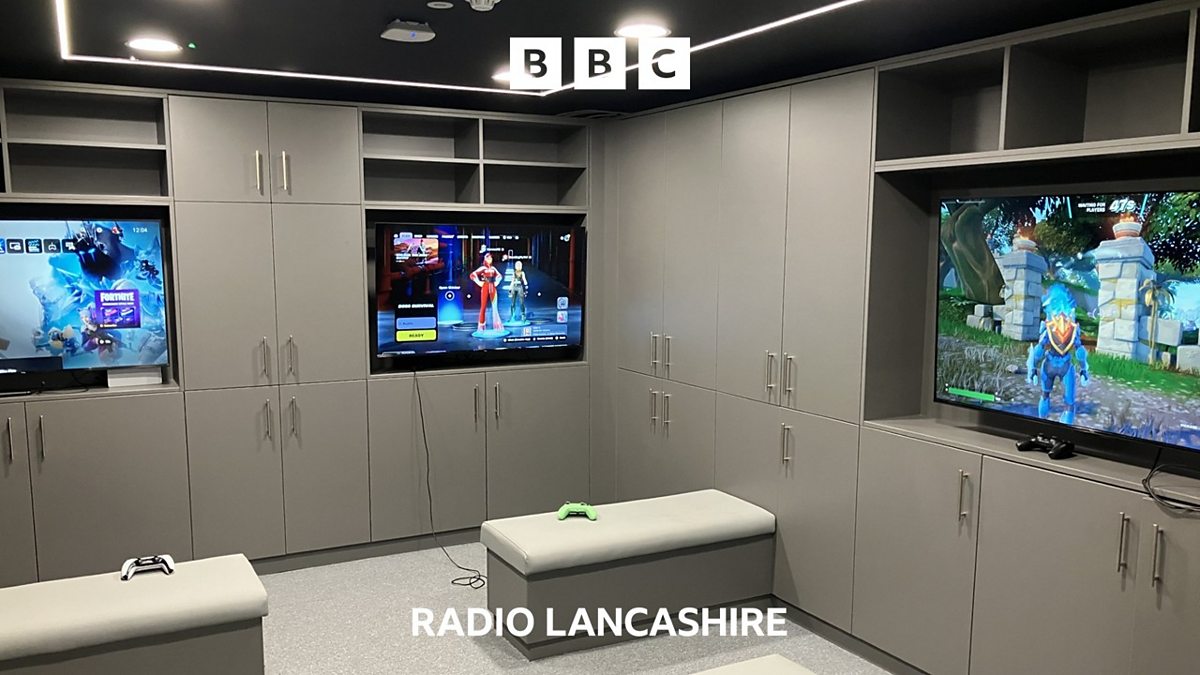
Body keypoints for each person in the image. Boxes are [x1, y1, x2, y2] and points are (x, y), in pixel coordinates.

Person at [469, 252, 505, 332]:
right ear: (485, 259)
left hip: (492, 287)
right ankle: (481, 326)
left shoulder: (493, 268)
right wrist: (478, 282)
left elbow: (499, 276)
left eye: (490, 258)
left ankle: (497, 326)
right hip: (485, 287)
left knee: (495, 306)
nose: (489, 259)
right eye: (488, 258)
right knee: (483, 306)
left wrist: (496, 282)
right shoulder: (483, 268)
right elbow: (472, 275)